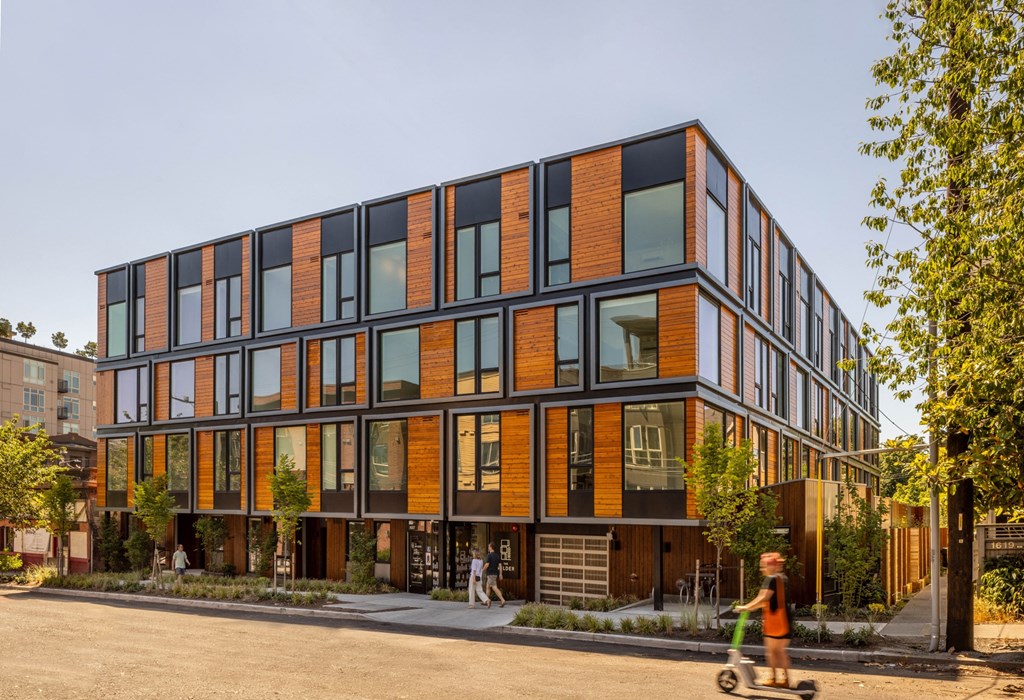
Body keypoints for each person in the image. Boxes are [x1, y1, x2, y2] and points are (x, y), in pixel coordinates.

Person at [736, 552, 792, 688]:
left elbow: (763, 598)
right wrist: (751, 607)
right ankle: (785, 679)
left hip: (776, 622)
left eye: (763, 566)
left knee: (772, 651)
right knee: (780, 651)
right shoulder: (782, 578)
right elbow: (766, 600)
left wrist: (746, 607)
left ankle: (774, 679)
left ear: (771, 566)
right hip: (785, 620)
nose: (762, 569)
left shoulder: (771, 579)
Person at [481, 542, 506, 608]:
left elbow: (487, 564)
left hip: (491, 574)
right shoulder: (497, 556)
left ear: (491, 547)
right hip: (495, 574)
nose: (488, 547)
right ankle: (486, 600)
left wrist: (482, 570)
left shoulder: (489, 555)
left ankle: (502, 600)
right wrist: (500, 574)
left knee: (494, 587)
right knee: (488, 587)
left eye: (489, 546)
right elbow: (500, 565)